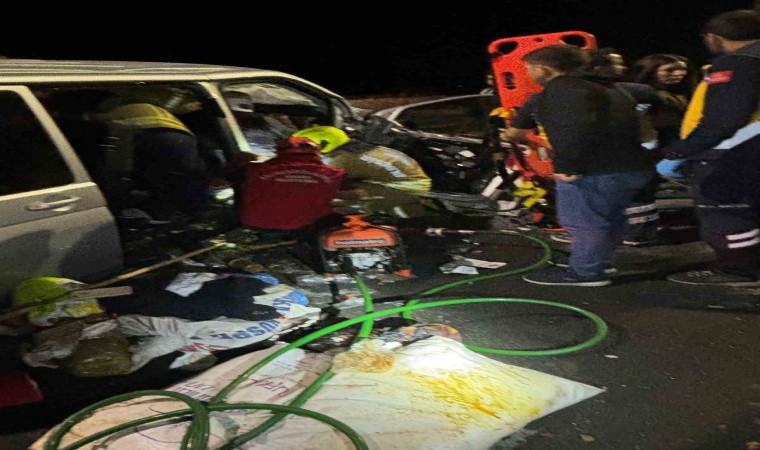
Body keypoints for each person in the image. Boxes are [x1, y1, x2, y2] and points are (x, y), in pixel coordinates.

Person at [504, 44, 652, 287]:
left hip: (593, 169)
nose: (529, 74)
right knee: (609, 218)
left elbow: (574, 129)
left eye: (529, 69)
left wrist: (565, 166)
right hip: (630, 165)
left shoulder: (562, 89)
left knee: (585, 223)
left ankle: (586, 272)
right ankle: (599, 262)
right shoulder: (609, 86)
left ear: (544, 68)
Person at [660, 9, 760, 285]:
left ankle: (737, 270)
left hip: (735, 153)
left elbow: (723, 119)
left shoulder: (738, 62)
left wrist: (680, 152)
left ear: (714, 37)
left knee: (726, 213)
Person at [90, 102, 210, 219]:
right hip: (182, 137)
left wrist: (86, 116)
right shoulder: (146, 106)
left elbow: (100, 119)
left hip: (149, 135)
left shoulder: (116, 111)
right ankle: (194, 212)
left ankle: (141, 212)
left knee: (126, 176)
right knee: (183, 177)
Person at [291, 125, 433, 218]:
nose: (298, 149)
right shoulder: (356, 148)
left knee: (332, 200)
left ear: (325, 143)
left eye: (304, 145)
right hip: (406, 182)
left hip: (405, 188)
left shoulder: (342, 159)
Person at [239, 136, 346, 230]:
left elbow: (231, 175)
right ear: (317, 152)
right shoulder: (335, 174)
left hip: (253, 226)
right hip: (307, 229)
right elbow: (351, 194)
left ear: (279, 151)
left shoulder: (253, 170)